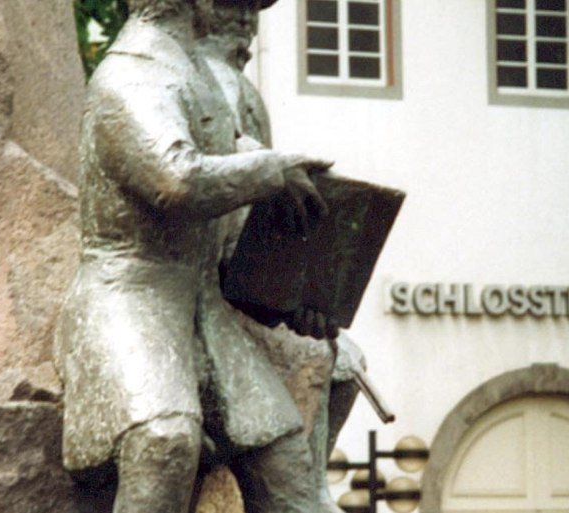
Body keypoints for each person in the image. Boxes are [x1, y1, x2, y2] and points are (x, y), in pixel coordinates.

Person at [53, 0, 337, 512]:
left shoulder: (198, 77)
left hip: (203, 310)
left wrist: (292, 302)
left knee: (285, 459)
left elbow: (228, 236)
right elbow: (176, 181)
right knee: (164, 442)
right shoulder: (132, 75)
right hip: (130, 297)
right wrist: (271, 171)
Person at [197, 2, 366, 512]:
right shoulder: (180, 84)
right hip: (194, 295)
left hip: (242, 292)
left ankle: (315, 484)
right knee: (308, 360)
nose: (246, 24)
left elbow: (260, 228)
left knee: (343, 358)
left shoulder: (246, 97)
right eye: (233, 9)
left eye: (252, 12)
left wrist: (296, 298)